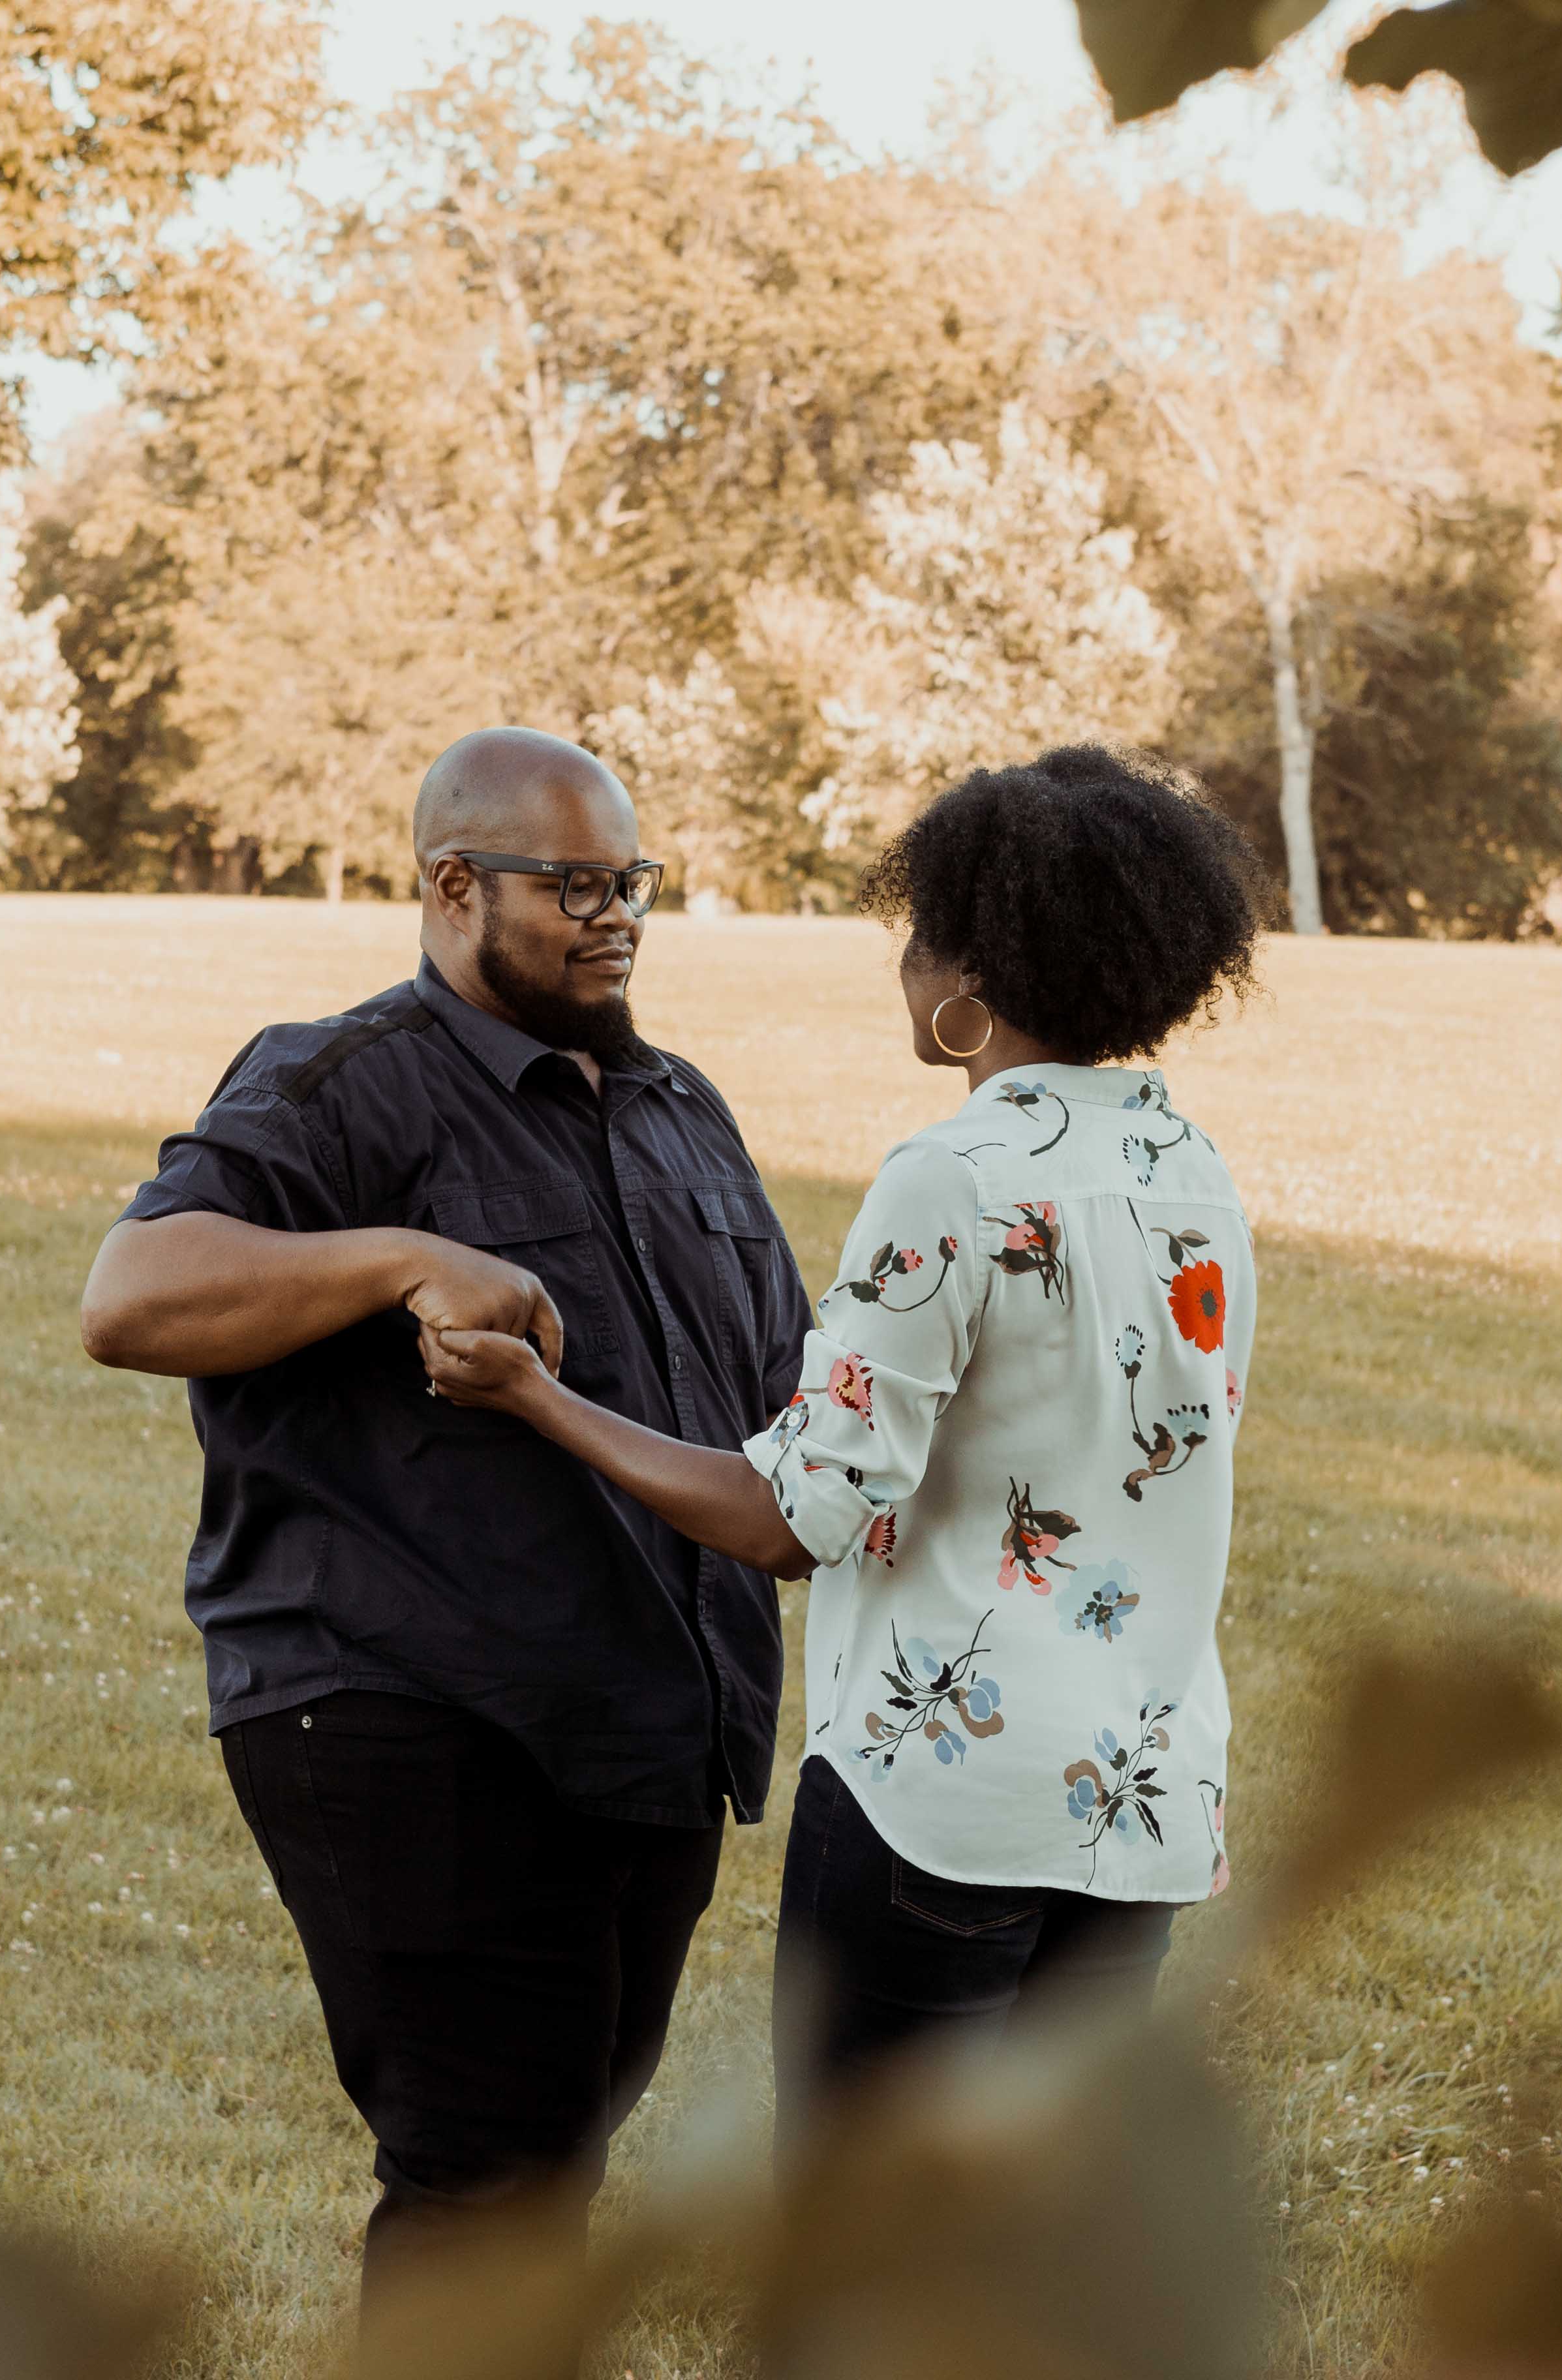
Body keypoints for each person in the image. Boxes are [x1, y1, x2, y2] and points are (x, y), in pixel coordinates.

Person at [419, 743, 1264, 2126]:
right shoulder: (1196, 1173)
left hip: (950, 1798)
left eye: (915, 935)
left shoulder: (953, 1176)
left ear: (968, 986)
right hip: (1147, 1799)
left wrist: (536, 1400)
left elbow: (793, 1516)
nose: (902, 968)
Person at [76, 727, 811, 2290]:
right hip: (416, 1712)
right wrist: (397, 1254)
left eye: (637, 882)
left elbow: (782, 1387)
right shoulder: (340, 1081)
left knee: (550, 2174)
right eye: (579, 885)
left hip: (650, 1727)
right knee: (487, 2184)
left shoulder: (682, 1110)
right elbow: (132, 1299)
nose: (618, 915)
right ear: (452, 886)